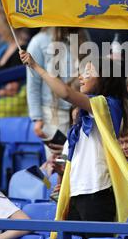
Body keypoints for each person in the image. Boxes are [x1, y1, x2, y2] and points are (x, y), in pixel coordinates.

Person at [20, 50, 128, 237]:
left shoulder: (108, 105)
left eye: (88, 73)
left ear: (105, 78)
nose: (81, 77)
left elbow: (66, 93)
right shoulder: (82, 116)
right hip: (76, 192)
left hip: (97, 192)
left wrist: (36, 67)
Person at [26, 27, 87, 160]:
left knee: (80, 158)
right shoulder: (39, 41)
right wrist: (37, 118)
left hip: (81, 109)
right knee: (59, 161)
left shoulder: (82, 35)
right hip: (53, 112)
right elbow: (33, 83)